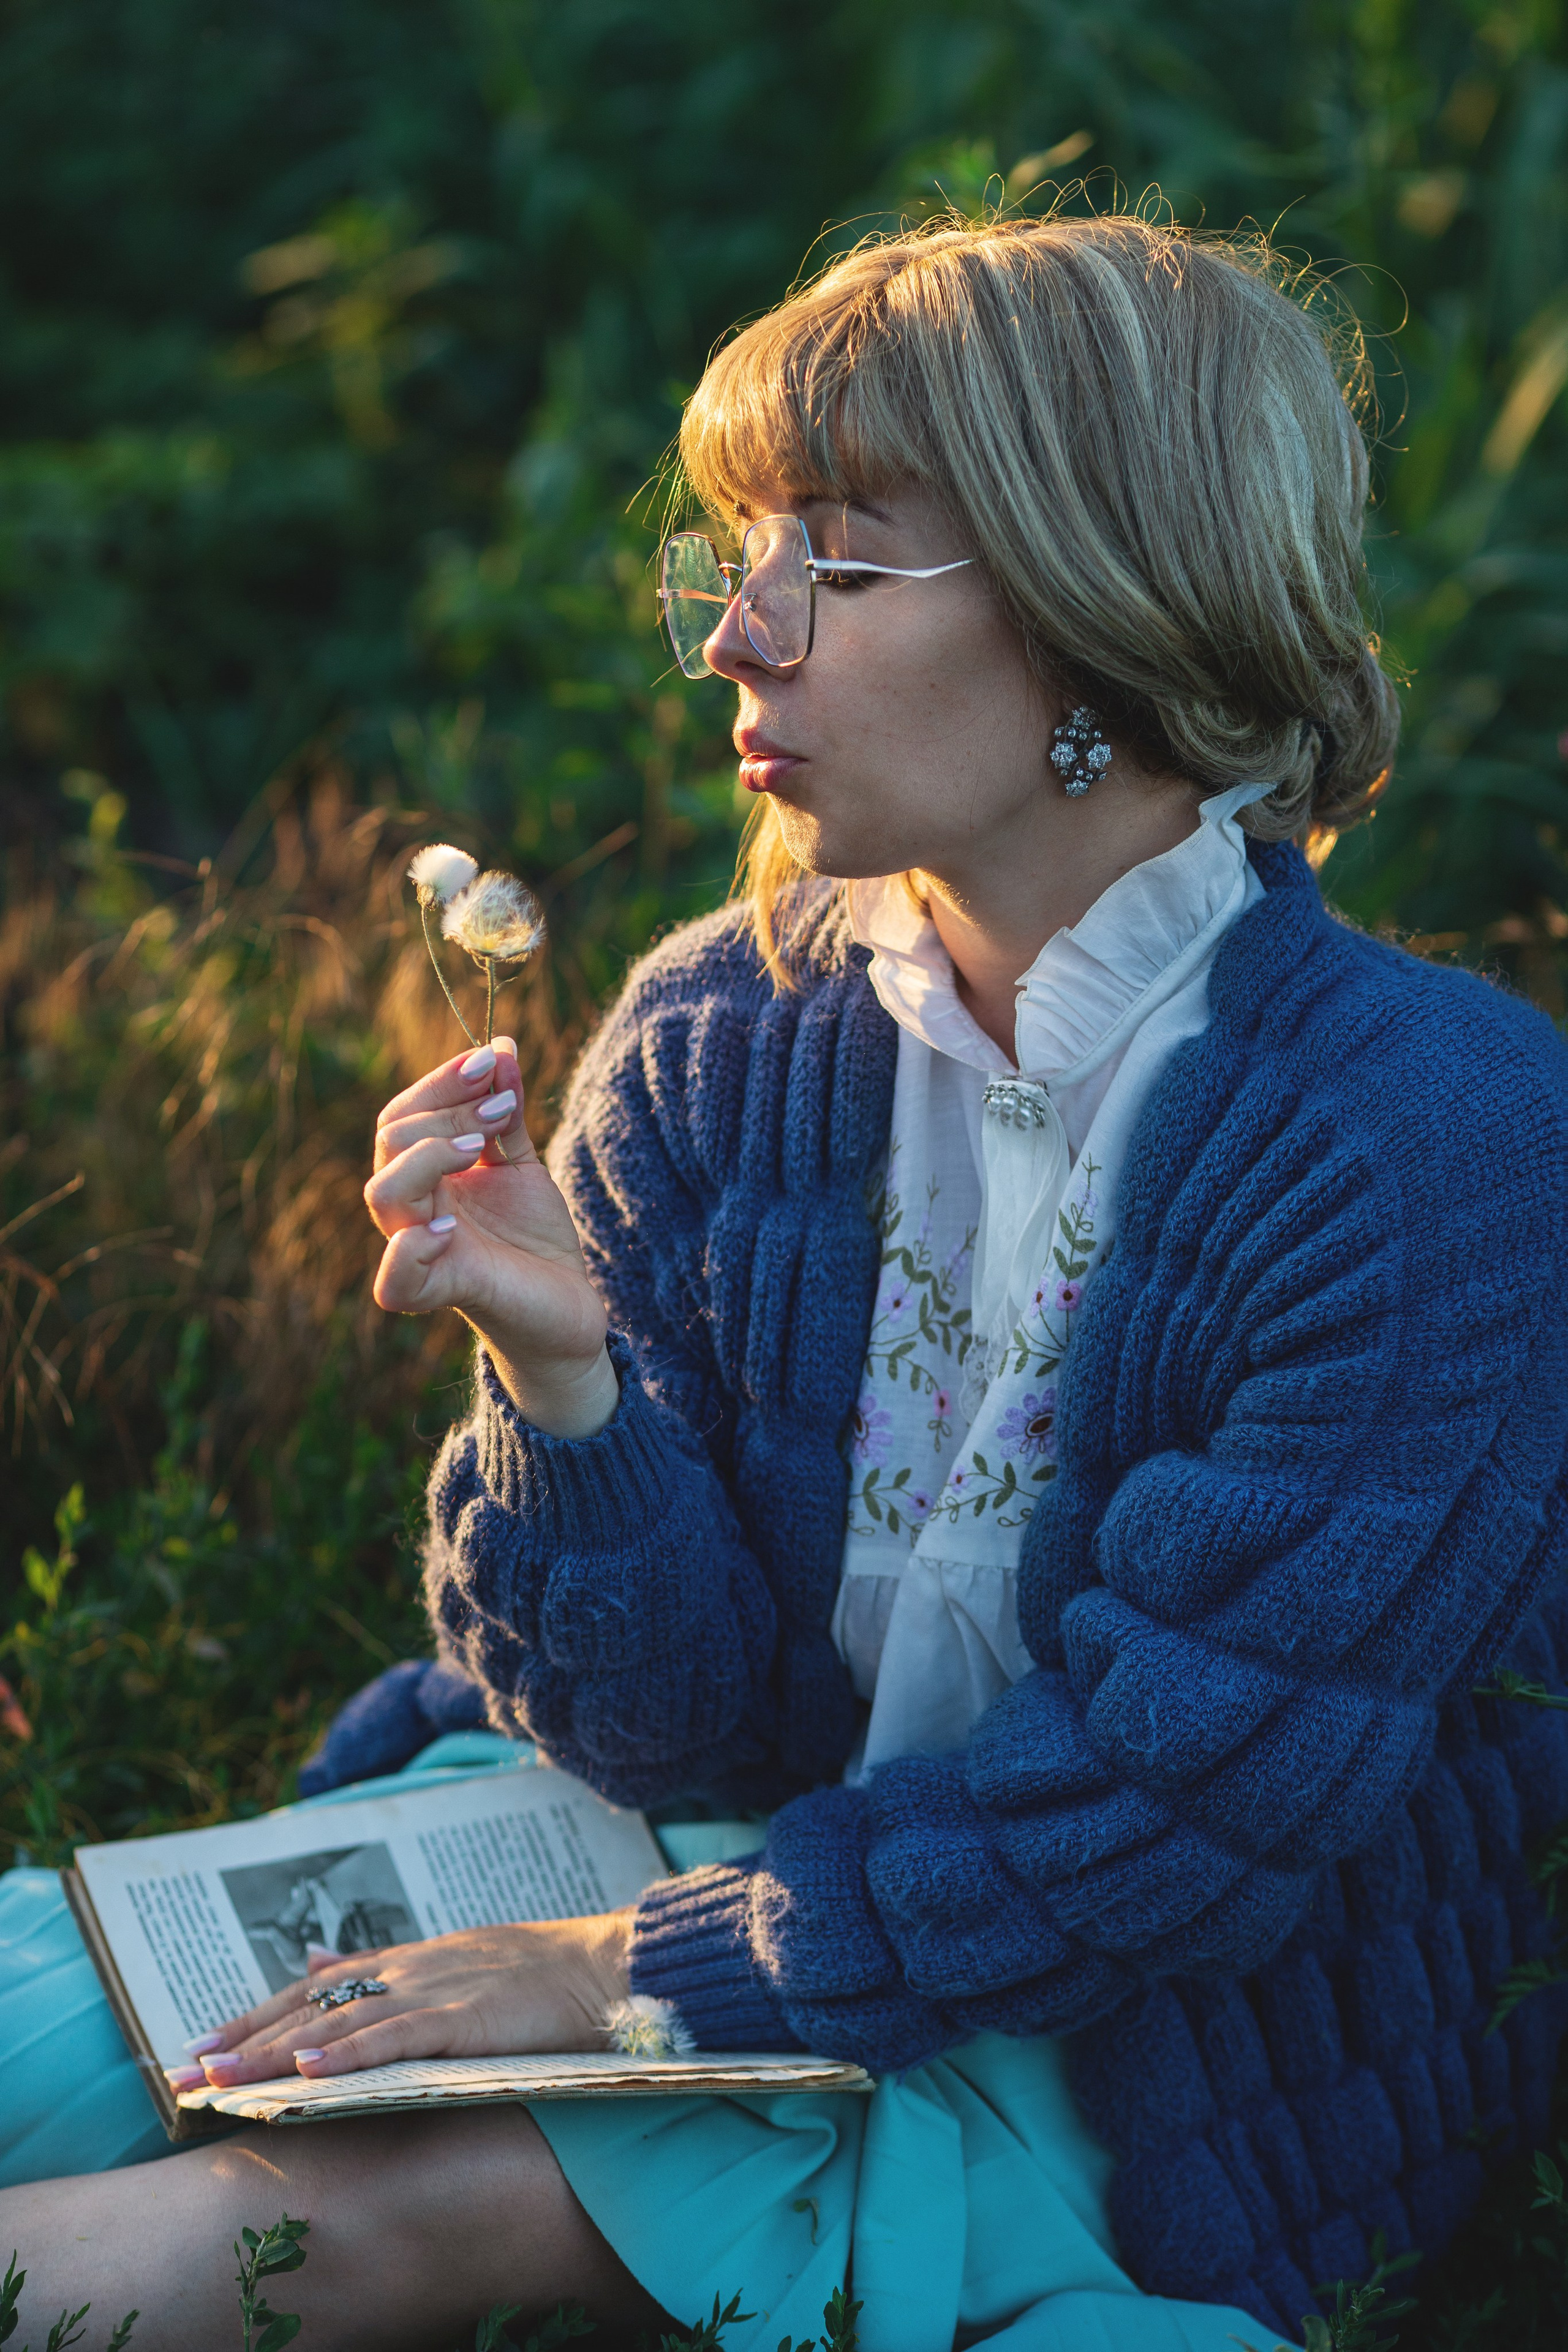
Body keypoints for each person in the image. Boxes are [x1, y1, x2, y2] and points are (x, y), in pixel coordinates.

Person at [2, 209, 1566, 2352]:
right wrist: (565, 1389)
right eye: (733, 556)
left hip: (1108, 2046)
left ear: (1098, 589)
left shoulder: (1430, 1138)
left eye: (833, 551)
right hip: (676, 1851)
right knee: (39, 2031)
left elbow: (1175, 1817)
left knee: (328, 2207)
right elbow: (667, 1720)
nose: (737, 634)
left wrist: (601, 1971)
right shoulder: (726, 1035)